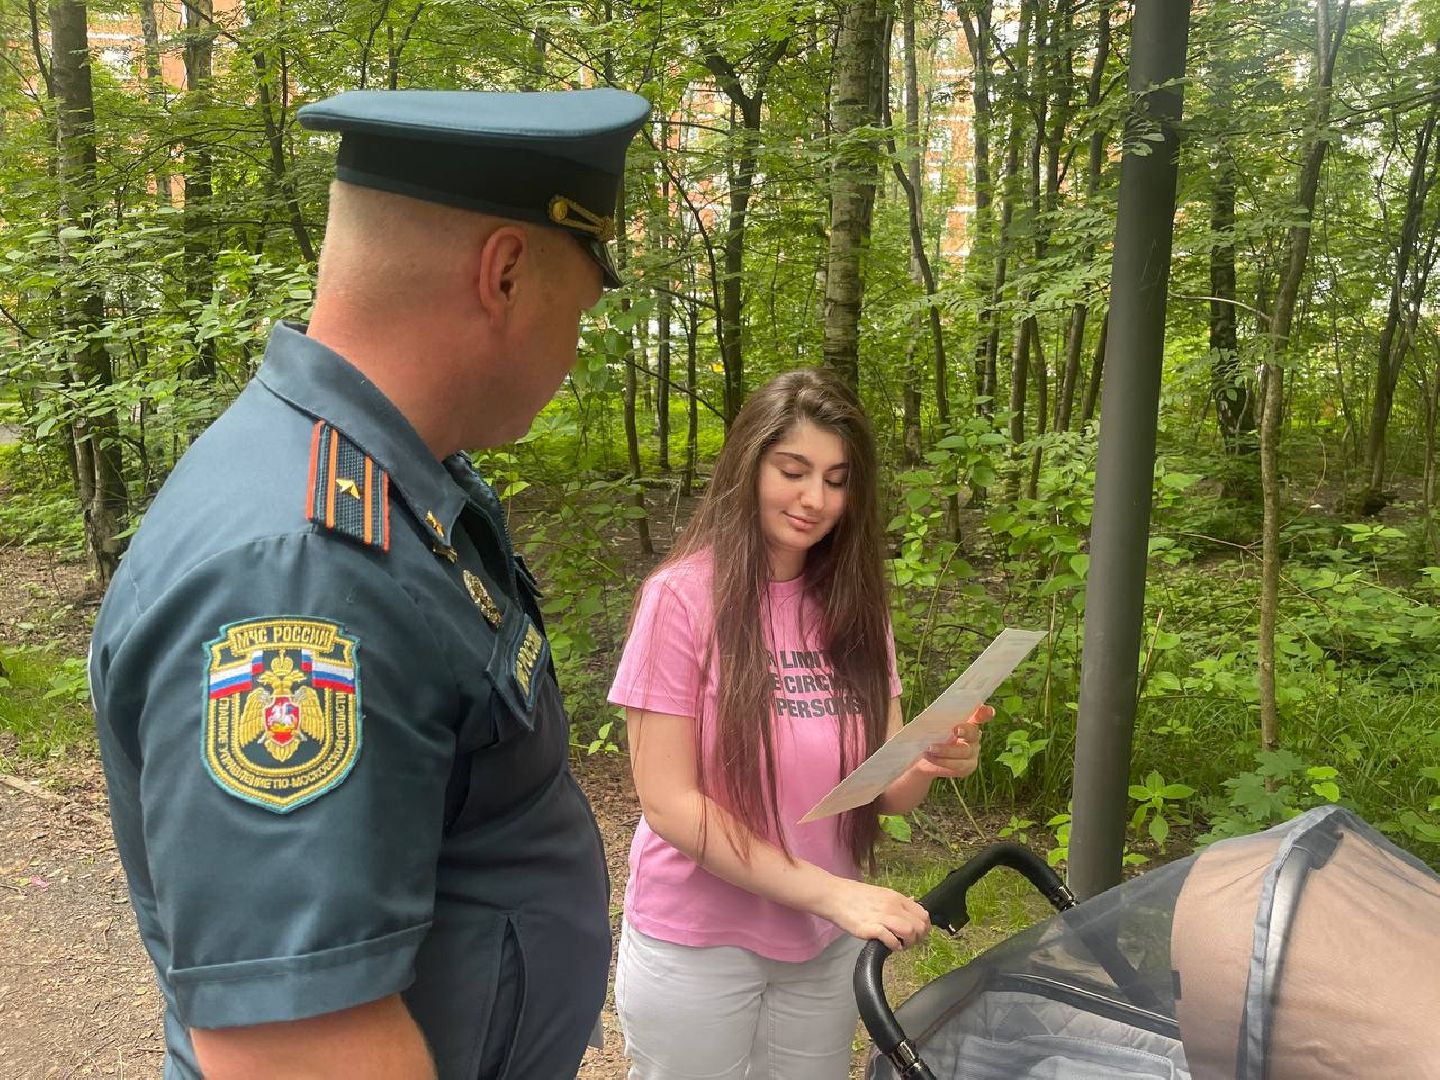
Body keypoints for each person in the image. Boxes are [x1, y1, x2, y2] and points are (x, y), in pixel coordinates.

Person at [88, 87, 649, 1080]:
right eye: (581, 306)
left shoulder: (399, 487)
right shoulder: (299, 578)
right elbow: (294, 1050)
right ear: (507, 273)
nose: (575, 346)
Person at [608, 368, 993, 1079]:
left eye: (838, 479)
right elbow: (668, 803)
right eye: (794, 471)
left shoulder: (854, 606)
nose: (815, 499)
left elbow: (884, 787)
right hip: (703, 942)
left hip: (822, 943)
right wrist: (837, 893)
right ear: (749, 464)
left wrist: (932, 759)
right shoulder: (680, 599)